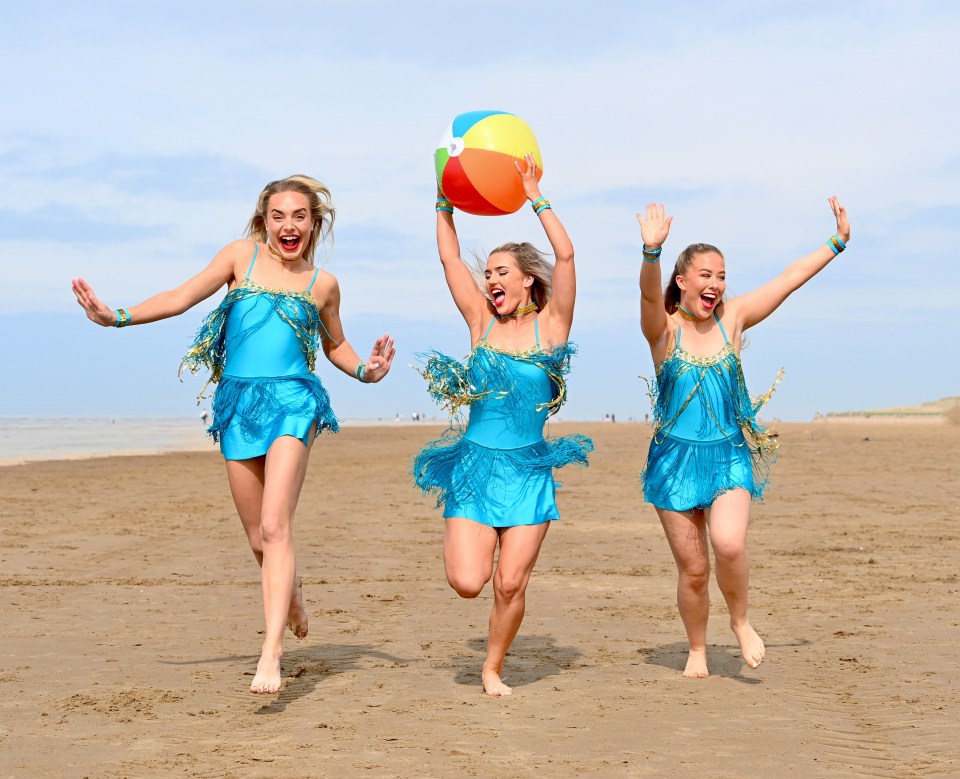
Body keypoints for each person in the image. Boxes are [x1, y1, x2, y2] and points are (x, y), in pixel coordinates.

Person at [72, 175, 396, 694]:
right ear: (263, 220)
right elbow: (180, 297)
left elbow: (337, 346)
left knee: (275, 522)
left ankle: (271, 653)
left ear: (315, 223)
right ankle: (290, 592)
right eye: (279, 216)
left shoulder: (323, 284)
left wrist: (367, 372)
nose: (289, 225)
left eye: (299, 216)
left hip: (294, 402)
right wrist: (118, 317)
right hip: (239, 404)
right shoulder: (238, 258)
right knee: (257, 538)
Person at [637, 197, 850, 678]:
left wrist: (836, 242)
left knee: (728, 543)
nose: (715, 284)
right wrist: (651, 253)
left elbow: (788, 279)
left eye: (722, 275)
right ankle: (696, 650)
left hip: (729, 453)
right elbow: (650, 299)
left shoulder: (733, 319)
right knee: (693, 571)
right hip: (672, 461)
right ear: (683, 280)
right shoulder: (662, 332)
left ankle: (740, 621)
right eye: (706, 275)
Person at [414, 155, 593, 696]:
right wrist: (444, 199)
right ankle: (476, 562)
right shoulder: (480, 323)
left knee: (511, 582)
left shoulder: (553, 326)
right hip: (473, 468)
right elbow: (448, 260)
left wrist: (536, 194)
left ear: (527, 281)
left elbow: (565, 254)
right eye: (487, 273)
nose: (490, 280)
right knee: (469, 582)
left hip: (528, 469)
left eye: (500, 272)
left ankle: (492, 666)